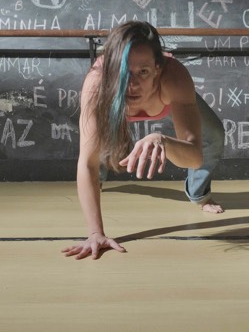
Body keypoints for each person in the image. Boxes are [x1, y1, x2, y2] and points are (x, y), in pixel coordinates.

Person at [62, 21, 225, 260]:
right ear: (111, 70)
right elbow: (87, 163)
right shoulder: (97, 84)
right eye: (123, 73)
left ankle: (200, 195)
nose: (133, 84)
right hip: (111, 104)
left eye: (143, 72)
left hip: (167, 94)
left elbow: (194, 157)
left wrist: (163, 141)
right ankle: (98, 187)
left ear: (158, 68)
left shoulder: (174, 78)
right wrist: (96, 232)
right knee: (100, 151)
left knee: (214, 136)